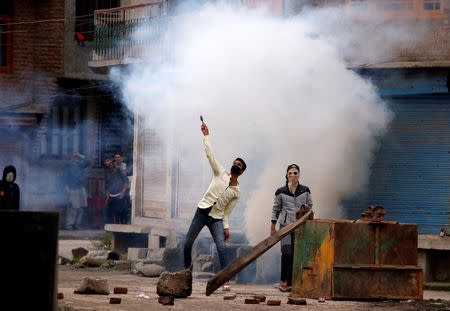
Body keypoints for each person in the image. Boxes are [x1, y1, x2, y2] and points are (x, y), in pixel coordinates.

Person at [183, 121, 247, 284]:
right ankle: (186, 270)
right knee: (187, 243)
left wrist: (226, 228)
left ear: (241, 171)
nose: (235, 164)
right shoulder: (220, 172)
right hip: (202, 212)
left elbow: (227, 211)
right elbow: (210, 154)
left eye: (239, 165)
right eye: (235, 162)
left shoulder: (236, 192)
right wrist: (206, 135)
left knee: (221, 247)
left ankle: (224, 278)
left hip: (216, 219)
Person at [270, 164, 313, 292]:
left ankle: (292, 283)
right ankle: (283, 282)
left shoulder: (305, 190)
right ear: (286, 175)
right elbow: (276, 210)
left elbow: (310, 206)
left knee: (296, 254)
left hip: (300, 227)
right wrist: (273, 227)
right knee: (286, 252)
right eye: (290, 173)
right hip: (285, 227)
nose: (292, 175)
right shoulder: (280, 192)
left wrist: (305, 212)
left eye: (295, 173)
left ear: (299, 175)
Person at [63, 152, 91, 230]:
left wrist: (80, 155)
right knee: (72, 208)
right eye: (74, 158)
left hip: (81, 188)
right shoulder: (68, 167)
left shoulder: (81, 165)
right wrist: (66, 189)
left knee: (81, 208)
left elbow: (88, 162)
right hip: (72, 189)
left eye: (77, 158)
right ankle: (69, 225)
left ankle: (77, 224)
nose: (75, 160)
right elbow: (64, 179)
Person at [104, 154, 129, 224]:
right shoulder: (107, 171)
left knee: (120, 214)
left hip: (119, 194)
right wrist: (107, 197)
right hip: (111, 195)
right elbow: (107, 185)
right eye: (105, 161)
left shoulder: (117, 169)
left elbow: (126, 181)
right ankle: (111, 231)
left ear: (111, 161)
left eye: (107, 161)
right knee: (110, 214)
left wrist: (123, 192)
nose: (106, 163)